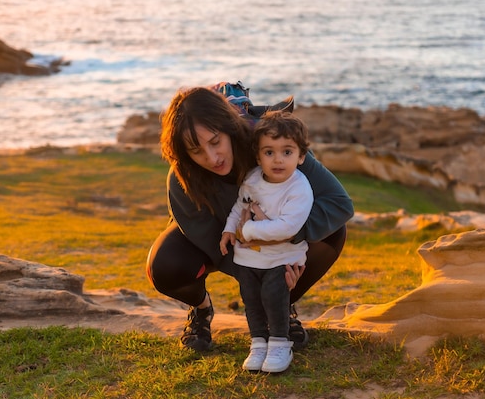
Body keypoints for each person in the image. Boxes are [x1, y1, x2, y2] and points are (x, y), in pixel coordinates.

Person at [146, 85, 354, 354]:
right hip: (220, 239)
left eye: (215, 141)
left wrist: (285, 242)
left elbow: (339, 203)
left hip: (277, 231)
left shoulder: (271, 144)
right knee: (165, 266)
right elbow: (216, 248)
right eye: (196, 151)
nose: (212, 158)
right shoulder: (181, 177)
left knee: (332, 233)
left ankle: (281, 307)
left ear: (229, 127)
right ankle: (201, 310)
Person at [219, 111, 313, 372]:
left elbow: (288, 226)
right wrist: (230, 229)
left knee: (273, 296)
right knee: (251, 299)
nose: (278, 159)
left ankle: (281, 343)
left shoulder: (298, 188)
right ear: (258, 156)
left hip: (281, 257)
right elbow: (240, 206)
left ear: (301, 156)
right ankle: (258, 342)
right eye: (269, 152)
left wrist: (246, 231)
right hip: (248, 258)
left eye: (287, 152)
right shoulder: (252, 178)